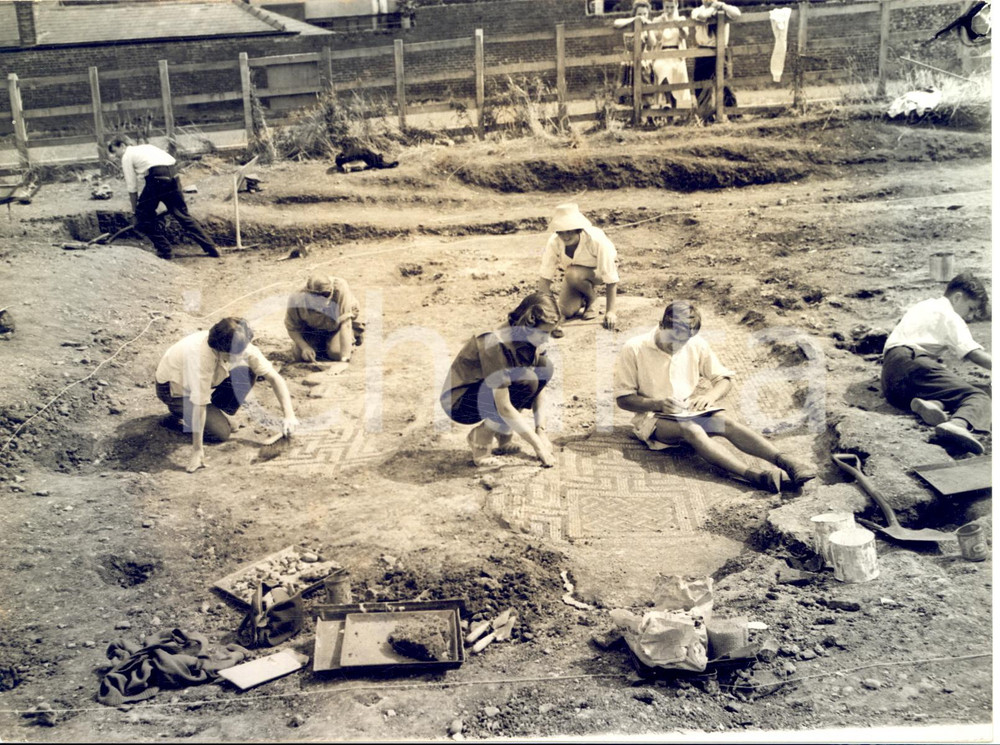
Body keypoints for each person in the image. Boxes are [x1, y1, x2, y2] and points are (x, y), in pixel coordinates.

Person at [613, 301, 816, 493]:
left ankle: (787, 463)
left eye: (683, 341)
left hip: (685, 410)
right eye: (672, 339)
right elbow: (624, 399)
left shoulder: (696, 344)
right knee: (692, 429)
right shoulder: (634, 348)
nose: (677, 346)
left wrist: (710, 396)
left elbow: (724, 379)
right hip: (652, 418)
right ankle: (754, 476)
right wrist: (657, 404)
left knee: (725, 422)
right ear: (661, 325)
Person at [155, 317, 298, 473]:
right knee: (221, 433)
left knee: (247, 370)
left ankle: (216, 413)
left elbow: (274, 377)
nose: (238, 356)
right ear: (219, 349)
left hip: (206, 379)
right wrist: (197, 450)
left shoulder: (240, 343)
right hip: (174, 390)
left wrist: (289, 415)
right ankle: (178, 413)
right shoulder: (201, 357)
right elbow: (199, 404)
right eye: (231, 355)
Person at [440, 293, 560, 468]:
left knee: (544, 367)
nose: (546, 339)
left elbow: (540, 387)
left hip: (483, 391)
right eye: (543, 333)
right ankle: (480, 440)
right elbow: (503, 406)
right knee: (526, 381)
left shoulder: (529, 337)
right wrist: (538, 446)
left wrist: (540, 430)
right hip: (460, 402)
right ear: (528, 325)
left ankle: (502, 433)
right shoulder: (495, 343)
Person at [881, 272, 991, 454]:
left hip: (892, 381)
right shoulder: (949, 315)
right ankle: (957, 424)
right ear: (957, 298)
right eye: (971, 309)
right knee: (979, 396)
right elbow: (974, 354)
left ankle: (933, 403)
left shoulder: (923, 306)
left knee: (954, 389)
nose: (970, 317)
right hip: (913, 363)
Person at [107, 136, 220, 261]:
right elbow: (161, 165)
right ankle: (211, 247)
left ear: (122, 146)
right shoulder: (146, 148)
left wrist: (135, 211)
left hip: (157, 178)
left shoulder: (127, 156)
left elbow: (132, 187)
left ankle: (165, 250)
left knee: (142, 217)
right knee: (182, 214)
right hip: (173, 175)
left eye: (115, 152)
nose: (115, 156)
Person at [538, 204, 619, 338]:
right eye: (561, 232)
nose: (565, 236)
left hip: (598, 272)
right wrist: (549, 314)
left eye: (569, 231)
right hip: (574, 278)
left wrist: (610, 311)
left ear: (578, 230)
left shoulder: (596, 240)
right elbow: (545, 278)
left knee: (572, 273)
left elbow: (610, 276)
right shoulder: (554, 242)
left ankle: (592, 298)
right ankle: (583, 297)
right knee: (565, 311)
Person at [615, 0, 692, 110]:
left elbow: (653, 42)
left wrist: (676, 25)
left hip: (674, 54)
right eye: (667, 7)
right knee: (659, 70)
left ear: (677, 5)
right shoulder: (654, 20)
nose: (669, 10)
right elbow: (616, 23)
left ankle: (665, 108)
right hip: (638, 58)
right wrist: (638, 20)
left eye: (672, 7)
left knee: (648, 85)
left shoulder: (680, 19)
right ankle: (637, 116)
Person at [285, 274, 365, 363]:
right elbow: (292, 328)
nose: (321, 299)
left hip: (338, 326)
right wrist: (305, 347)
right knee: (300, 356)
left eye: (325, 294)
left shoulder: (340, 288)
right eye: (315, 296)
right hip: (313, 328)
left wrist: (345, 358)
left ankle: (353, 335)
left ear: (331, 290)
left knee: (336, 353)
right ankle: (322, 345)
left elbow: (346, 324)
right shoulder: (297, 297)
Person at [690, 0, 741, 118]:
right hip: (703, 51)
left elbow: (737, 14)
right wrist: (713, 8)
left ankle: (733, 114)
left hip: (721, 50)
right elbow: (703, 16)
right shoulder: (698, 10)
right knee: (701, 84)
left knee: (725, 84)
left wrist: (721, 6)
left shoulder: (724, 9)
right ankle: (705, 116)